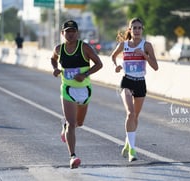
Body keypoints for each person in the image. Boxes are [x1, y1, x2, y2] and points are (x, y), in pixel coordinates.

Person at [50, 20, 103, 169]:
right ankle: (72, 156)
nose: (70, 34)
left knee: (79, 123)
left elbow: (99, 64)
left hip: (85, 90)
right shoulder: (59, 49)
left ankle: (65, 124)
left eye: (73, 31)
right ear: (62, 33)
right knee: (72, 125)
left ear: (77, 33)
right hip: (67, 89)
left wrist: (85, 74)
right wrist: (55, 68)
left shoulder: (84, 47)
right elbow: (53, 59)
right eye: (67, 31)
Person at [110, 18, 158, 162]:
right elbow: (113, 56)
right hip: (127, 81)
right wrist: (116, 66)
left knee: (135, 117)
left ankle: (127, 143)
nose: (137, 30)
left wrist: (144, 55)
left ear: (142, 29)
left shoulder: (147, 45)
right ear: (129, 30)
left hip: (140, 83)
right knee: (130, 113)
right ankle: (132, 150)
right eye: (134, 28)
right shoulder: (123, 45)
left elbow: (155, 66)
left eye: (139, 28)